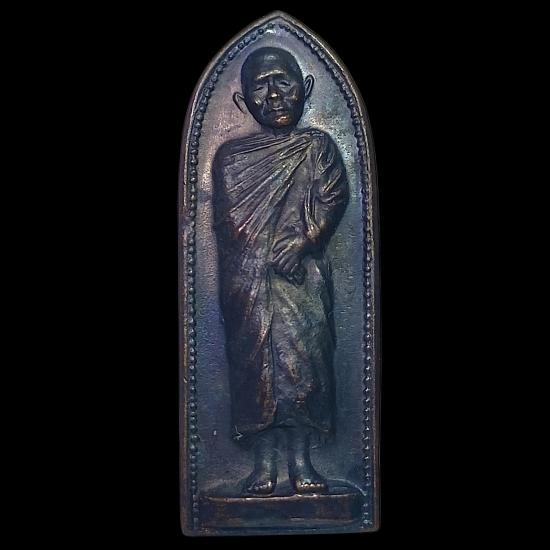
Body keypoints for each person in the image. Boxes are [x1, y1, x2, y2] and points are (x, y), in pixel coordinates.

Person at [212, 47, 348, 495]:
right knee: (255, 374)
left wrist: (304, 241)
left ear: (304, 88)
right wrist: (264, 257)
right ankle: (264, 466)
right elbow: (231, 224)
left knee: (305, 367)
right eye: (260, 86)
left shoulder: (317, 147)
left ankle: (303, 463)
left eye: (282, 82)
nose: (273, 95)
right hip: (249, 287)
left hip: (301, 285)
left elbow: (334, 197)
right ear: (242, 102)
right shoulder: (231, 157)